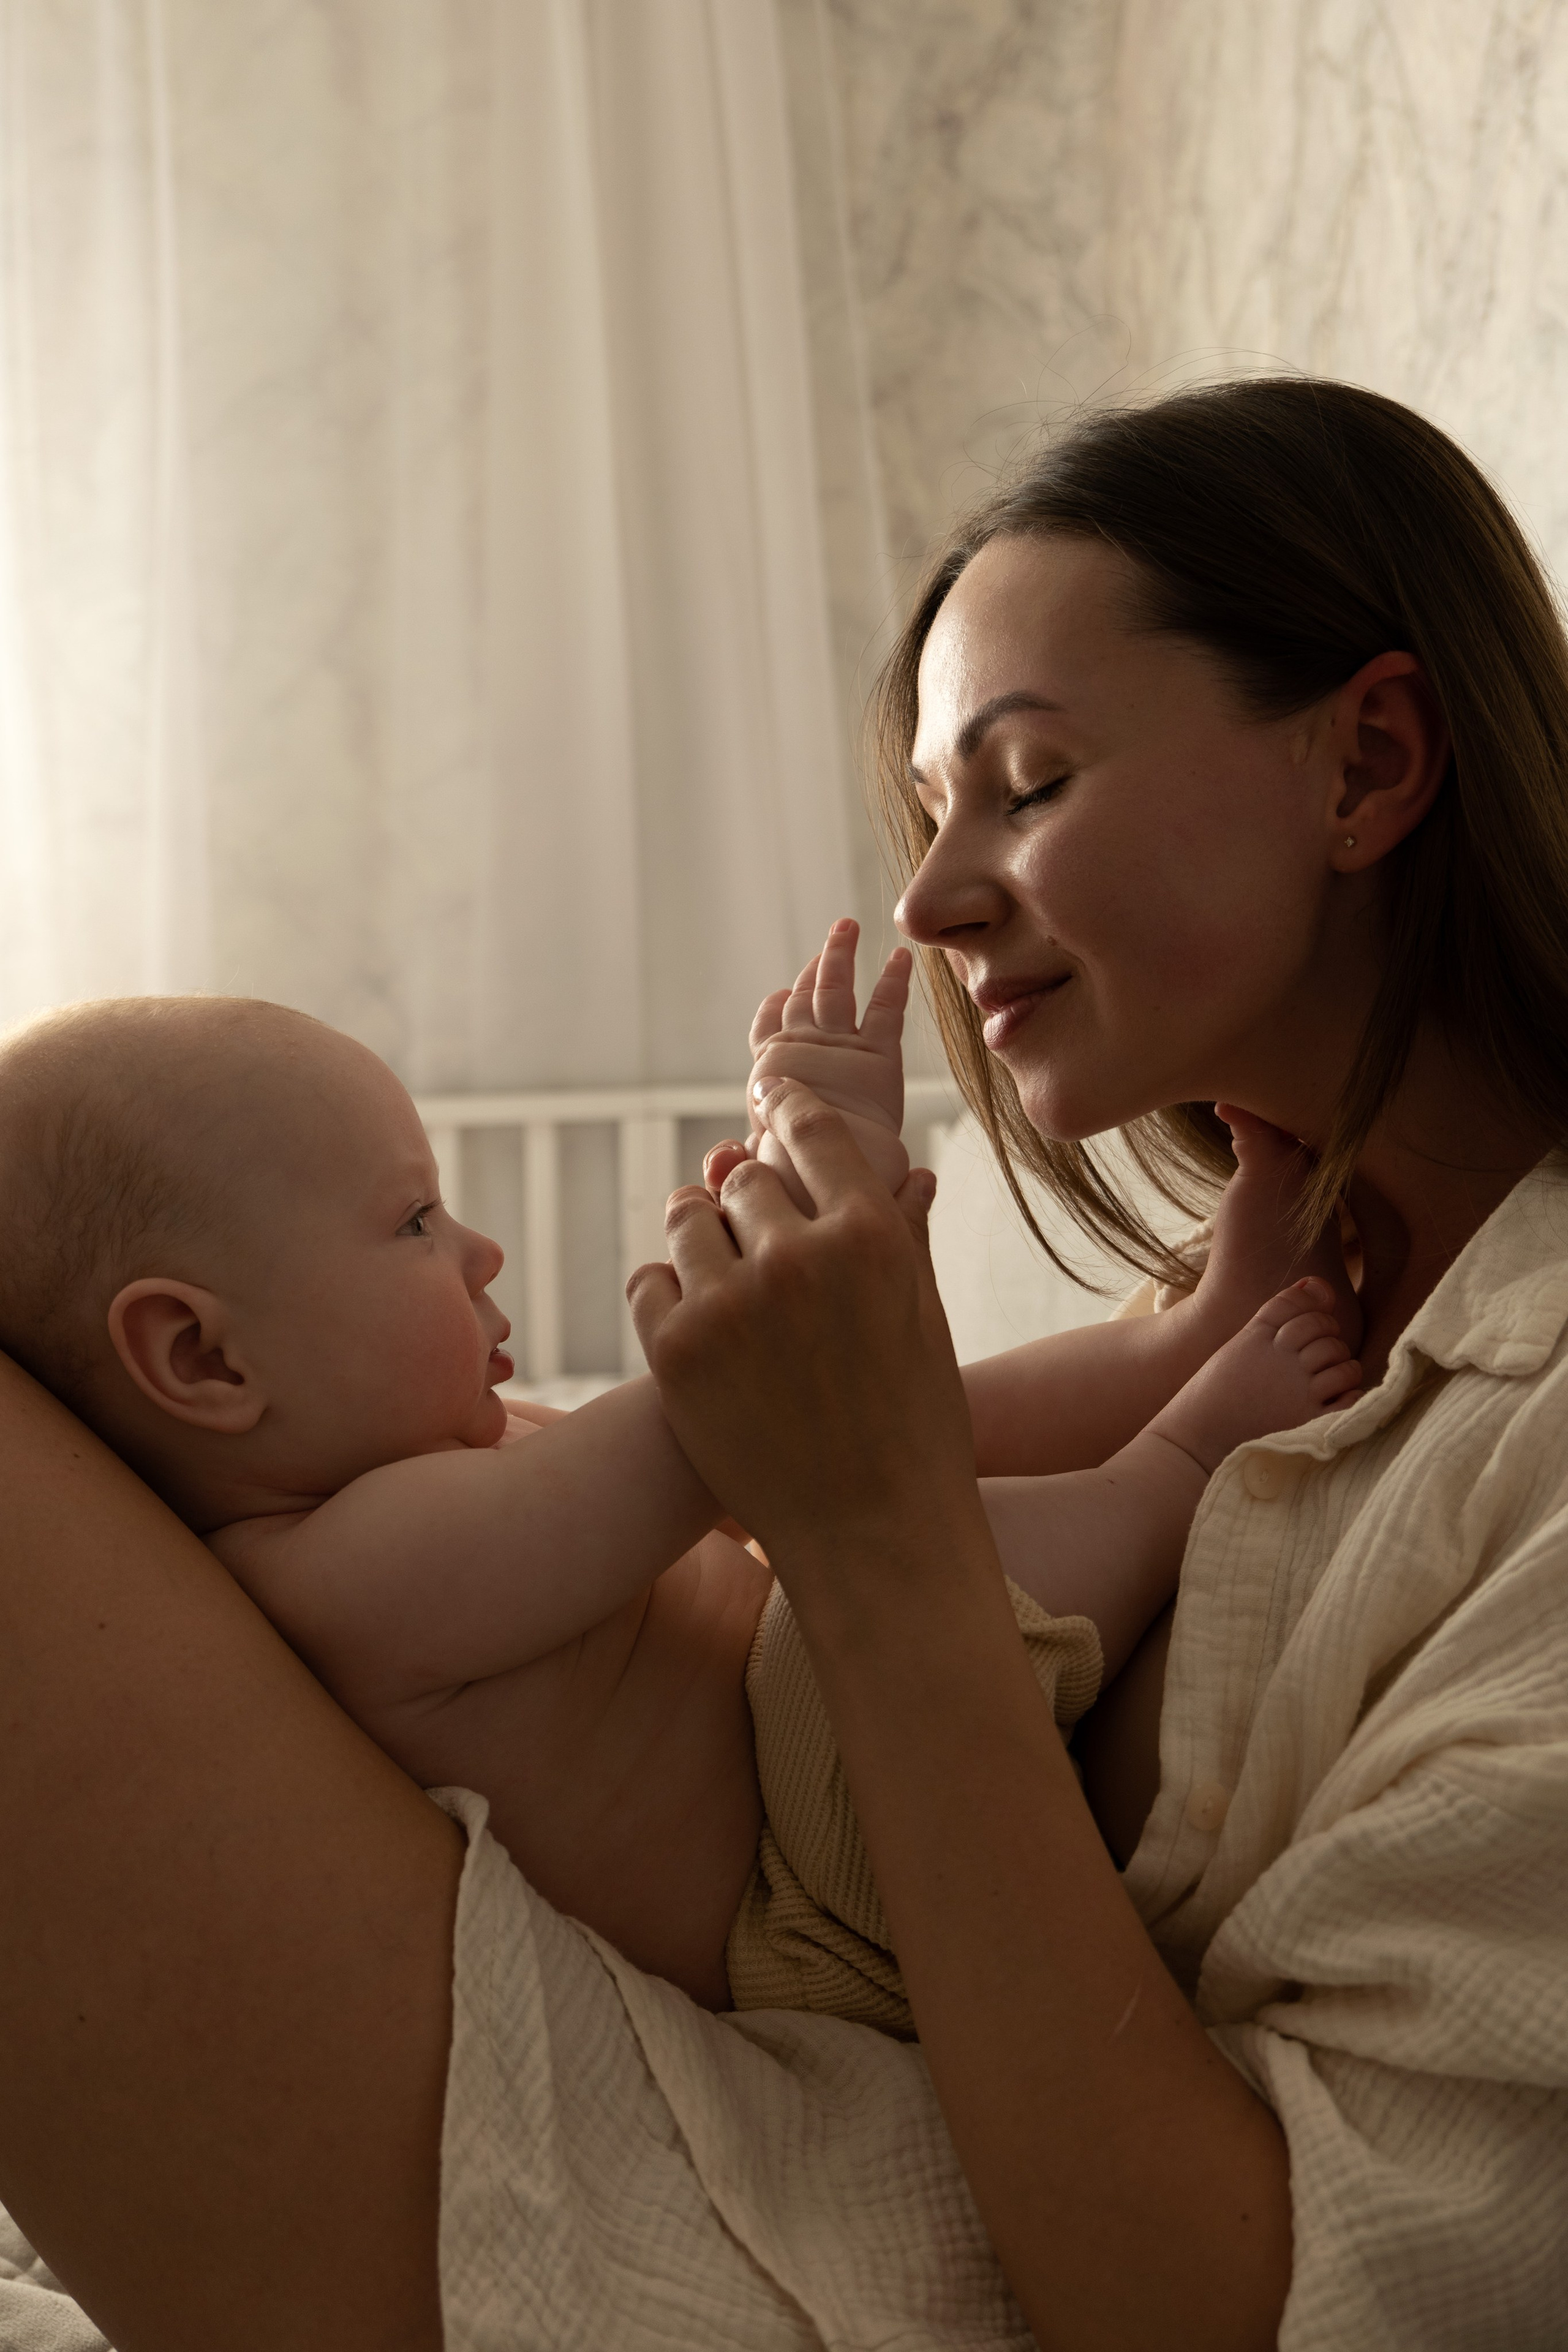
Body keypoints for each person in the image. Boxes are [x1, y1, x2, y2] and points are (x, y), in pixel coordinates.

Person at [1, 374, 1565, 2351]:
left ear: (1369, 765)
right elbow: (904, 1445)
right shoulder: (1332, 1282)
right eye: (930, 814)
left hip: (837, 2223)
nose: (923, 895)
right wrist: (916, 1414)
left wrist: (876, 1517)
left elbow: (1267, 2302)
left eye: (1026, 780)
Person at [0, 941, 1354, 2036]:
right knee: (880, 1516)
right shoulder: (340, 1579)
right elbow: (746, 1412)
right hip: (832, 1871)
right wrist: (826, 1161)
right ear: (201, 1358)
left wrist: (813, 1197)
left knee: (878, 1459)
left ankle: (1176, 1345)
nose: (476, 1250)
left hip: (847, 1746)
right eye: (411, 1222)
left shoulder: (445, 1468)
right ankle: (1178, 1461)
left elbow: (830, 1433)